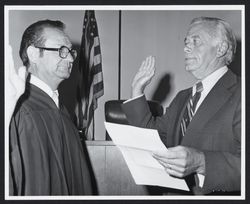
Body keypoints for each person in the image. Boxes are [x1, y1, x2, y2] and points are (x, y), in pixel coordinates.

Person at [122, 17, 241, 195]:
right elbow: (152, 136)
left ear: (221, 48)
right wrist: (137, 90)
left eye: (195, 41)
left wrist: (202, 162)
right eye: (186, 42)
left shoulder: (242, 93)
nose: (186, 47)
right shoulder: (183, 97)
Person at [9, 20, 93, 195]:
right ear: (33, 54)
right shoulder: (17, 109)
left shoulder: (62, 109)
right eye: (61, 50)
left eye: (70, 52)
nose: (70, 58)